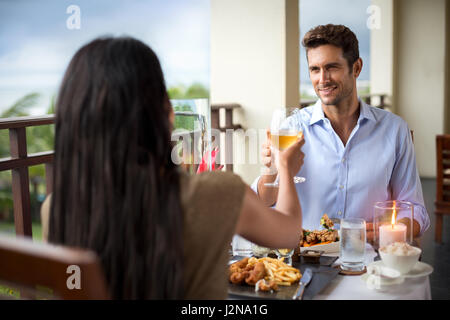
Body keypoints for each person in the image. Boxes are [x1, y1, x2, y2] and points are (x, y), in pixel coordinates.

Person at [41, 36, 305, 299]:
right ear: (166, 112)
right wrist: (284, 168)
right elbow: (289, 234)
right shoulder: (215, 193)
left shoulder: (55, 209)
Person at [253, 24, 430, 240]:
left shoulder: (394, 130)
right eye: (314, 69)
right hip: (305, 259)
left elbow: (414, 209)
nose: (322, 79)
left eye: (332, 67)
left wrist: (395, 231)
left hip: (368, 259)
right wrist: (272, 170)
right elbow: (264, 201)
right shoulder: (292, 127)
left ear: (356, 68)